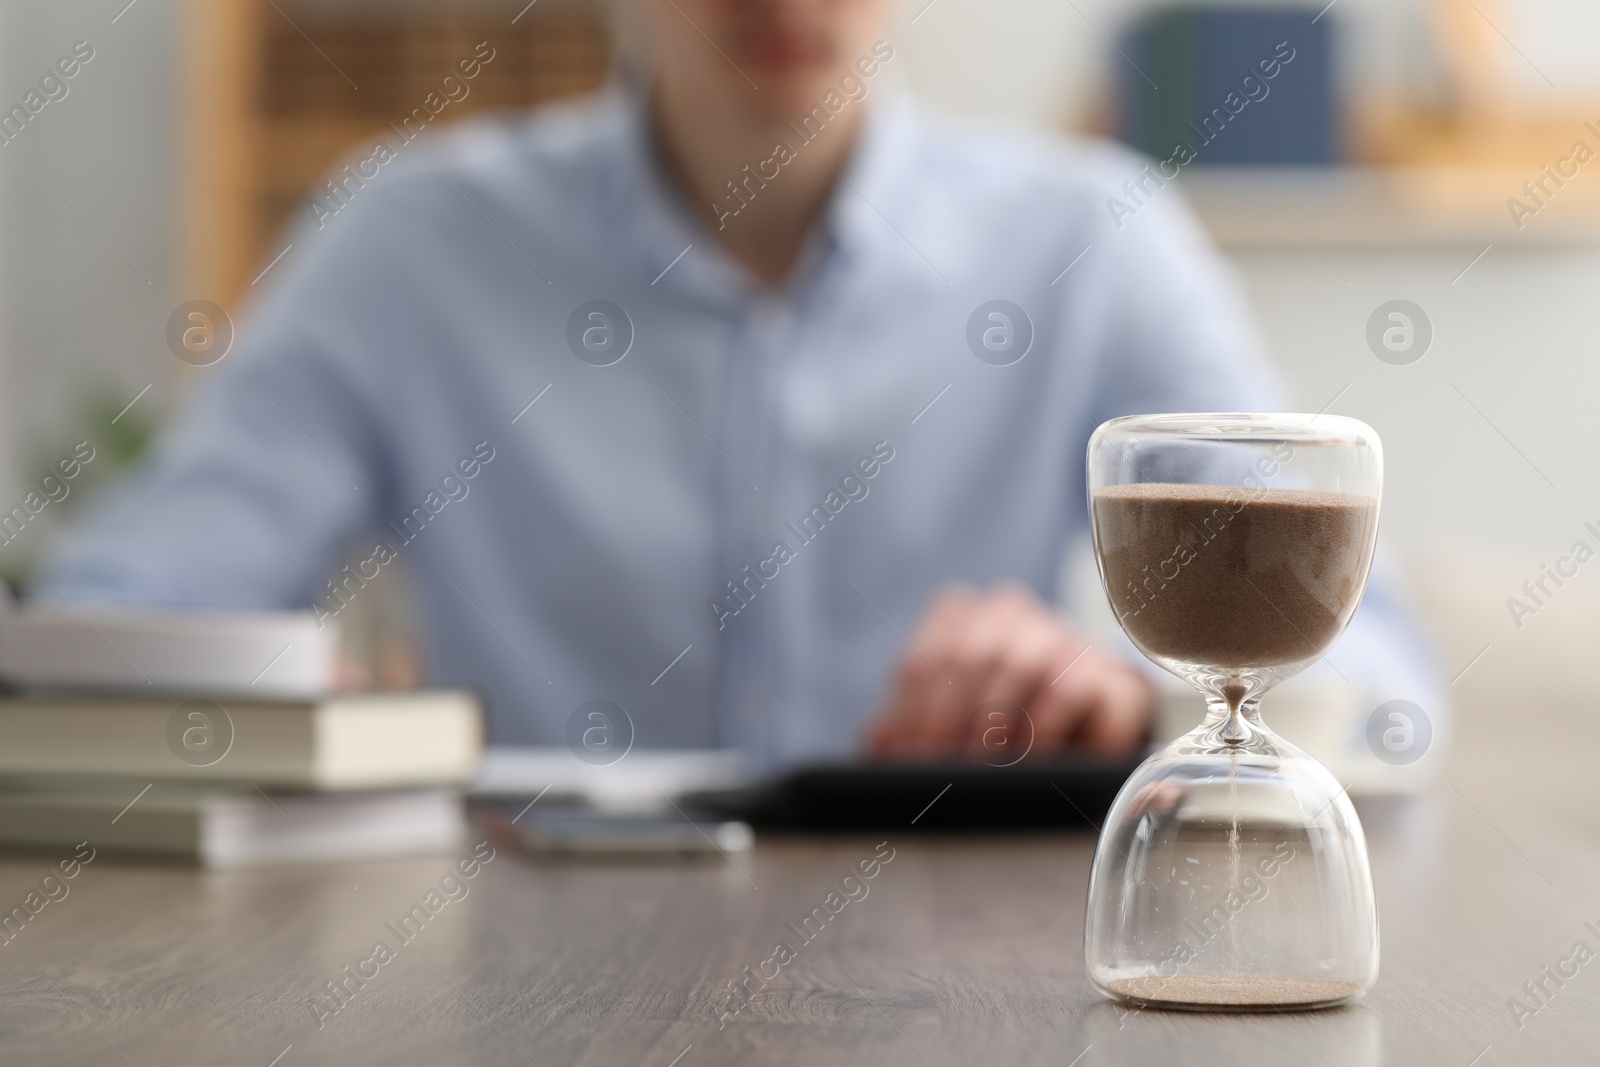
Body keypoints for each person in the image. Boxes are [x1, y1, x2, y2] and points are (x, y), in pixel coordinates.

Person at [39, 0, 1442, 767]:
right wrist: (279, 711)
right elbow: (108, 632)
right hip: (514, 998)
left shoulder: (1096, 241)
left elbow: (1380, 689)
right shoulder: (405, 245)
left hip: (955, 990)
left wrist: (1139, 702)